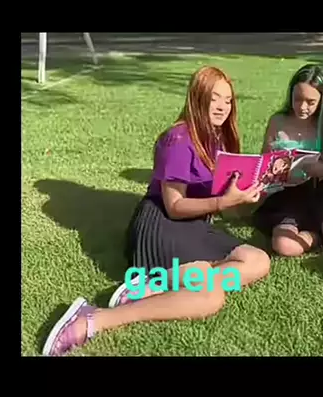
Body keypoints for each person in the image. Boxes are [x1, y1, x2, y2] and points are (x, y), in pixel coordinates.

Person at [42, 66, 271, 356]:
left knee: (257, 261)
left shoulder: (219, 138)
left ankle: (154, 288)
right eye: (214, 98)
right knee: (209, 296)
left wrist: (249, 196)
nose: (222, 107)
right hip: (163, 222)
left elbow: (226, 208)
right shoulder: (178, 139)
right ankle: (93, 318)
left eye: (228, 100)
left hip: (196, 223)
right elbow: (174, 207)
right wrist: (222, 203)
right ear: (197, 98)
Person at [252, 64, 323, 257]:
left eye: (310, 102)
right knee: (285, 246)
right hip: (286, 195)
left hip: (320, 193)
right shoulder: (278, 121)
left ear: (322, 101)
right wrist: (276, 169)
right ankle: (317, 237)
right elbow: (263, 163)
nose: (302, 107)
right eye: (297, 99)